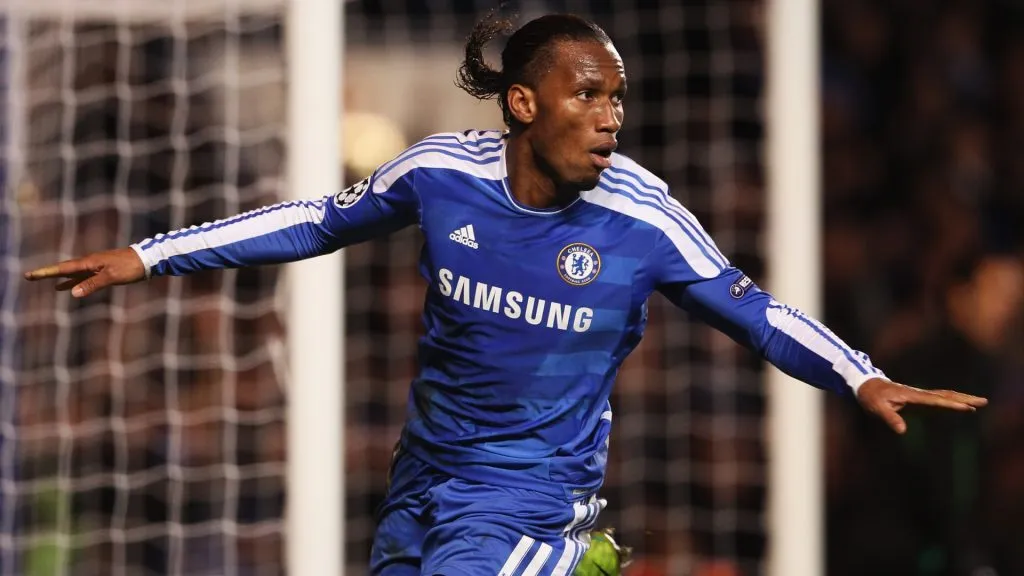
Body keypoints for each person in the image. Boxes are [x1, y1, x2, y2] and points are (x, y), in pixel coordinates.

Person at [25, 12, 988, 576]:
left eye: (618, 99)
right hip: (423, 481)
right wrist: (147, 257)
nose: (611, 118)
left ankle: (575, 555)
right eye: (588, 96)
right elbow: (315, 220)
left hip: (530, 497)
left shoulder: (643, 216)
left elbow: (757, 310)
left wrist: (860, 377)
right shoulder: (440, 177)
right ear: (523, 105)